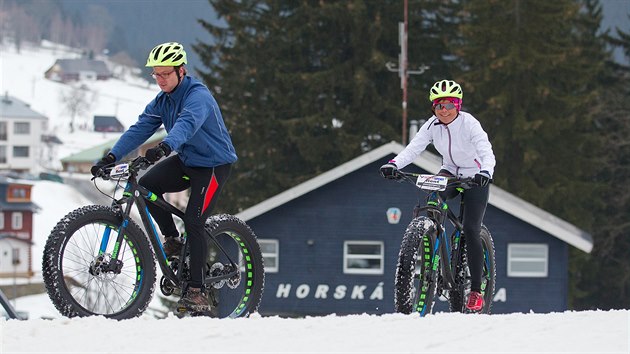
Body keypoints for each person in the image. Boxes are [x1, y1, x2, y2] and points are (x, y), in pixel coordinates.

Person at [90, 42, 237, 312]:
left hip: (213, 166)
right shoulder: (162, 100)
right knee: (147, 185)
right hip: (188, 161)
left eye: (165, 74)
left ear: (181, 71)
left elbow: (187, 125)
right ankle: (172, 240)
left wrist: (165, 147)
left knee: (194, 221)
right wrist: (112, 157)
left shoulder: (197, 96)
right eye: (156, 74)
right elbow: (140, 128)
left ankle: (197, 290)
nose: (160, 79)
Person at [379, 79, 495, 312]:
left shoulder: (469, 123)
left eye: (449, 105)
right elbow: (414, 148)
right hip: (450, 172)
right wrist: (393, 164)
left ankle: (474, 290)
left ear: (458, 105)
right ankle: (432, 234)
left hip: (475, 175)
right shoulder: (432, 125)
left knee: (471, 229)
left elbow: (486, 150)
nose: (443, 110)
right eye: (438, 105)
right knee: (434, 198)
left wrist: (485, 171)